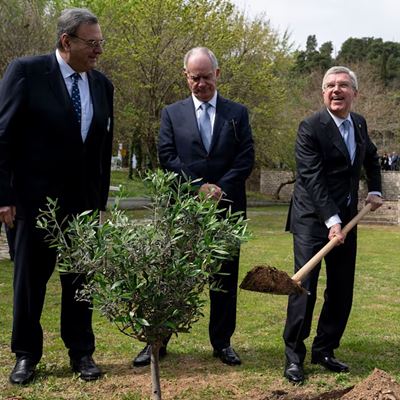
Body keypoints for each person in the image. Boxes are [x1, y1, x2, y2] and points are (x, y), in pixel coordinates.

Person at [0, 8, 113, 384]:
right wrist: (4, 196)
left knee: (81, 282)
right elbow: (3, 138)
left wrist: (99, 204)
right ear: (67, 41)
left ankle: (81, 353)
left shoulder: (102, 86)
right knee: (30, 284)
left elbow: (101, 150)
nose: (98, 51)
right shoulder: (26, 73)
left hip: (82, 206)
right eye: (92, 43)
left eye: (101, 43)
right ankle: (26, 355)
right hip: (33, 204)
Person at [132, 47, 254, 367]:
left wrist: (220, 188)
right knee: (173, 276)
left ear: (218, 74)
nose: (200, 83)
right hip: (183, 209)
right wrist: (197, 187)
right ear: (186, 77)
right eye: (193, 78)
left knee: (224, 280)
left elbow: (245, 158)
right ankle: (157, 341)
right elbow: (167, 157)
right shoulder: (172, 113)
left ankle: (222, 342)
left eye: (206, 77)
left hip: (227, 210)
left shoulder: (237, 114)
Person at [283, 66, 383, 384]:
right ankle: (294, 356)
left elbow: (371, 156)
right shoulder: (311, 127)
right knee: (305, 289)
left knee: (341, 289)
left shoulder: (359, 123)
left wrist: (376, 188)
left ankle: (324, 349)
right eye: (330, 85)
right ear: (323, 93)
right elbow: (311, 178)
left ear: (355, 92)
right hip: (312, 218)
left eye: (343, 85)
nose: (336, 90)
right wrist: (331, 220)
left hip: (348, 218)